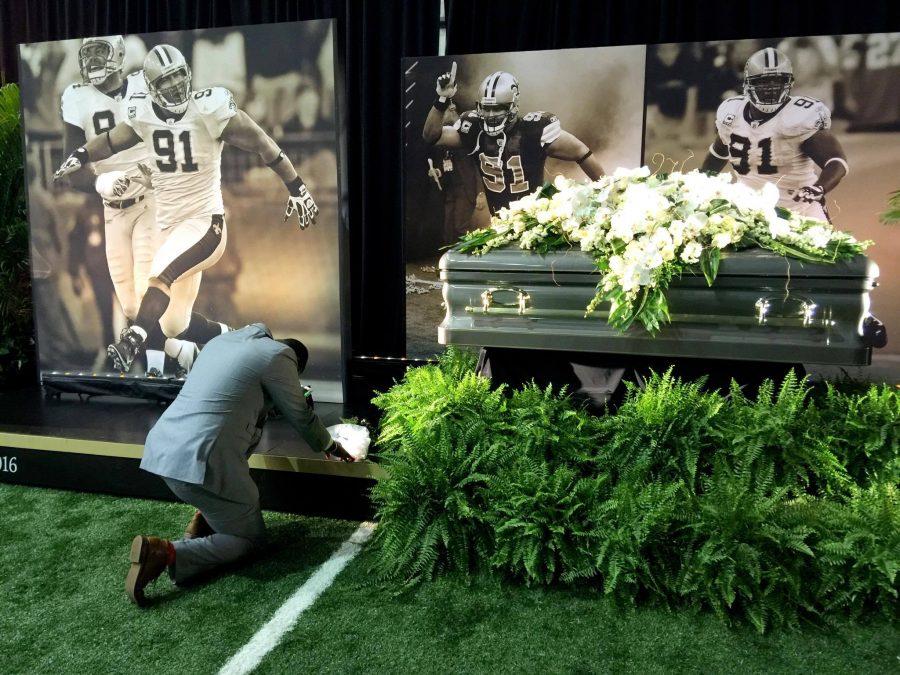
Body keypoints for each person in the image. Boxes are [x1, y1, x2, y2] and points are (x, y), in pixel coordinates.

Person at [53, 43, 320, 374]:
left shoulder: (209, 109)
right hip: (171, 227)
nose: (175, 85)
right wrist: (81, 154)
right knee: (174, 325)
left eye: (179, 76)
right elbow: (109, 141)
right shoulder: (143, 114)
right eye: (165, 81)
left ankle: (131, 342)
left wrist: (296, 186)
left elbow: (261, 142)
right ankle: (245, 342)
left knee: (159, 274)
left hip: (205, 222)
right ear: (151, 88)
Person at [124, 322, 355, 606]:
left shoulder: (222, 344)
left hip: (163, 448)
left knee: (224, 494)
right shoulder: (279, 355)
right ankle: (165, 553)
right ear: (295, 364)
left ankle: (204, 518)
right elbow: (301, 416)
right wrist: (330, 445)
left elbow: (225, 405)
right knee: (251, 541)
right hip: (203, 459)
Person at [422, 66, 604, 216]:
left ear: (513, 106)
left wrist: (605, 191)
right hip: (499, 218)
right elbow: (432, 137)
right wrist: (442, 99)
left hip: (535, 217)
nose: (490, 115)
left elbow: (581, 152)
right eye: (485, 108)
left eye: (497, 108)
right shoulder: (473, 127)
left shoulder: (533, 130)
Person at [700, 47, 849, 221]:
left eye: (777, 81)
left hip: (799, 212)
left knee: (826, 248)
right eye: (763, 81)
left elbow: (836, 160)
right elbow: (718, 153)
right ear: (747, 83)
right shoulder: (732, 113)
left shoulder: (800, 116)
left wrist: (819, 188)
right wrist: (698, 184)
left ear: (789, 82)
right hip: (748, 211)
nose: (771, 87)